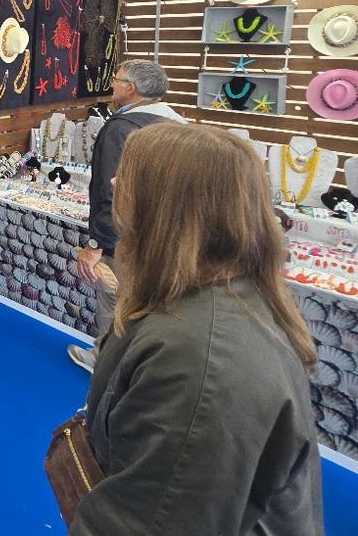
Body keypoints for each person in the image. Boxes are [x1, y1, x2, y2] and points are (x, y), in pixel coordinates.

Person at [70, 124, 321, 535]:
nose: (113, 182)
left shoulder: (199, 360)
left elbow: (157, 519)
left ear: (167, 203)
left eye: (127, 175)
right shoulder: (204, 304)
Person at [67, 59, 186, 373]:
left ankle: (105, 363)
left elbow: (110, 193)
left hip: (125, 238)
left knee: (113, 299)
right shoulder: (178, 126)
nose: (112, 85)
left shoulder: (121, 128)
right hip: (166, 236)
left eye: (116, 80)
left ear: (130, 88)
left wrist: (96, 244)